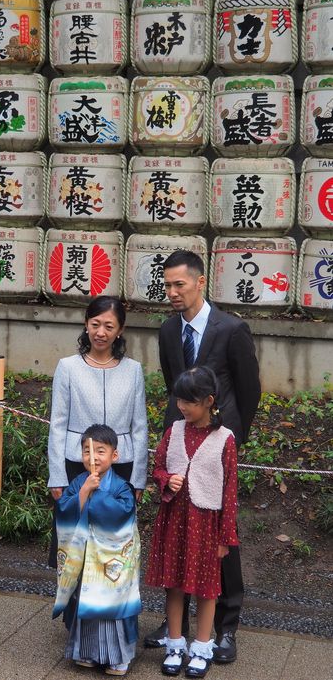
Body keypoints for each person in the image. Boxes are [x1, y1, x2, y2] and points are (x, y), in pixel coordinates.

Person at [144, 250, 261, 664]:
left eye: (180, 284)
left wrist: (230, 437)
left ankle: (225, 628)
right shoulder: (167, 330)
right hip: (179, 444)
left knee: (218, 535)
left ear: (200, 281)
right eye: (168, 285)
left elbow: (249, 391)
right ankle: (176, 625)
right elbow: (172, 384)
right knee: (179, 532)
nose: (173, 292)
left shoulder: (231, 329)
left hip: (216, 446)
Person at [145, 367, 239, 678]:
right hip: (175, 521)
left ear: (209, 401)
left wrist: (225, 537)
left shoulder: (225, 440)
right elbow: (158, 467)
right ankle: (175, 644)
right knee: (173, 583)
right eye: (179, 400)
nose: (182, 407)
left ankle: (201, 647)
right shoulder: (174, 431)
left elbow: (229, 492)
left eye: (190, 402)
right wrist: (166, 480)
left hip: (206, 524)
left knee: (206, 588)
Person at [52, 424, 142, 677]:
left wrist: (99, 492)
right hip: (87, 560)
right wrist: (83, 491)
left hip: (111, 561)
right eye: (87, 452)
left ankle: (119, 657)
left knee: (114, 607)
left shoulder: (121, 486)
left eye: (100, 451)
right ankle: (88, 653)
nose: (93, 458)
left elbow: (124, 513)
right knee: (87, 603)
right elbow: (64, 510)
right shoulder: (79, 482)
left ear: (115, 456)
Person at [47, 295, 148, 507]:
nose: (101, 333)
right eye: (95, 324)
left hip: (120, 462)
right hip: (76, 460)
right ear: (86, 324)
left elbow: (139, 427)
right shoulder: (68, 367)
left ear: (120, 330)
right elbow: (57, 424)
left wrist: (138, 478)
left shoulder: (133, 370)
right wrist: (57, 475)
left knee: (114, 532)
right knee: (73, 529)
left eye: (109, 326)